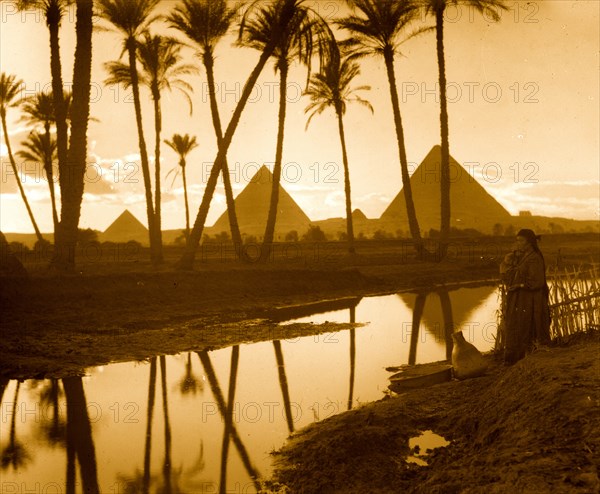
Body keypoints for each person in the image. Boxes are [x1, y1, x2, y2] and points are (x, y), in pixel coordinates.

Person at [499, 229, 551, 364]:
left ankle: (526, 357)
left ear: (529, 243)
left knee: (526, 326)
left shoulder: (534, 258)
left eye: (521, 240)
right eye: (517, 240)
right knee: (516, 326)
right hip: (520, 299)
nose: (518, 243)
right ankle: (516, 358)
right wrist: (509, 261)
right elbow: (509, 275)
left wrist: (520, 286)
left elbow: (537, 281)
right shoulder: (521, 257)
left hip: (530, 300)